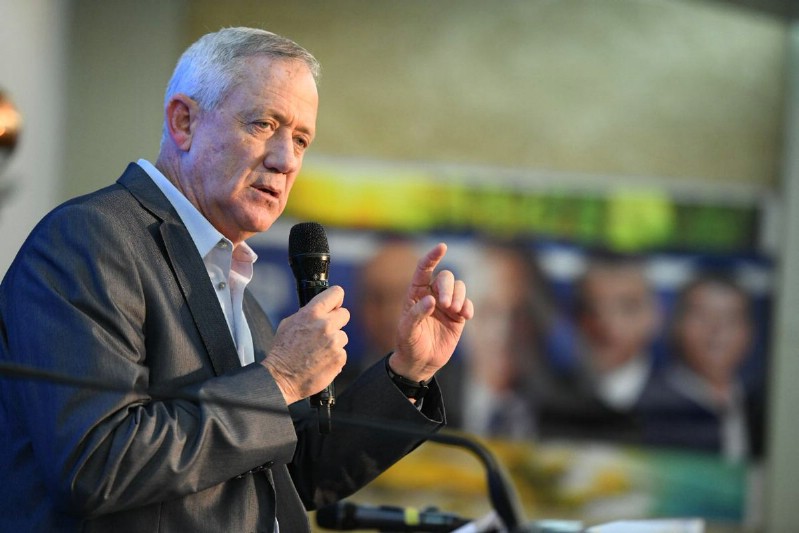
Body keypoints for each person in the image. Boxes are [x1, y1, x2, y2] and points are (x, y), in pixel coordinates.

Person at [0, 27, 473, 532]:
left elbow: (288, 475)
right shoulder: (91, 240)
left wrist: (408, 372)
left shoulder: (232, 280)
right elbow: (97, 463)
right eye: (264, 124)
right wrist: (279, 380)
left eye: (301, 140)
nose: (286, 160)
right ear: (183, 122)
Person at [638, 273, 765, 461]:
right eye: (702, 316)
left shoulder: (763, 407)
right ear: (675, 326)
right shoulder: (643, 404)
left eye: (731, 318)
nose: (717, 329)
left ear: (749, 333)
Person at [538, 251, 662, 443]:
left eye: (626, 307)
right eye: (591, 308)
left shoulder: (683, 409)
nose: (606, 324)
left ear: (654, 316)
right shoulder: (547, 401)